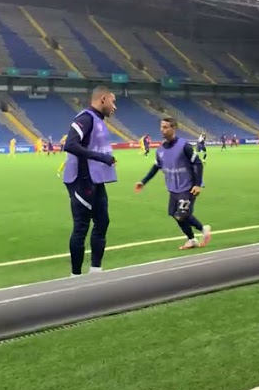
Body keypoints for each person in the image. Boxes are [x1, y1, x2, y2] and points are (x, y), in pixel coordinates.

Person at [62, 85, 118, 276]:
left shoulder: (99, 120)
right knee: (82, 226)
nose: (114, 106)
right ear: (103, 99)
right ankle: (75, 276)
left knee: (102, 222)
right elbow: (70, 144)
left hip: (96, 179)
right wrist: (102, 158)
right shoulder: (85, 118)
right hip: (82, 180)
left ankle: (95, 270)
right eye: (113, 101)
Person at [135, 116, 211, 250]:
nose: (162, 130)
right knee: (173, 213)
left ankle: (204, 230)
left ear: (174, 128)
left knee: (181, 214)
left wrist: (198, 184)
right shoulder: (160, 150)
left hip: (188, 187)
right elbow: (156, 167)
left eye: (165, 127)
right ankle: (192, 240)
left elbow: (198, 163)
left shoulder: (184, 146)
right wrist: (143, 181)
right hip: (173, 188)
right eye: (161, 127)